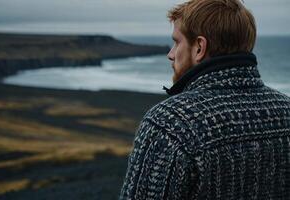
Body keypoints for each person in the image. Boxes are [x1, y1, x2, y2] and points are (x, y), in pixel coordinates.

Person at [119, 0, 290, 199]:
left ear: (199, 47)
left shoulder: (171, 124)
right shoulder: (287, 111)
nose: (170, 54)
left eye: (176, 42)